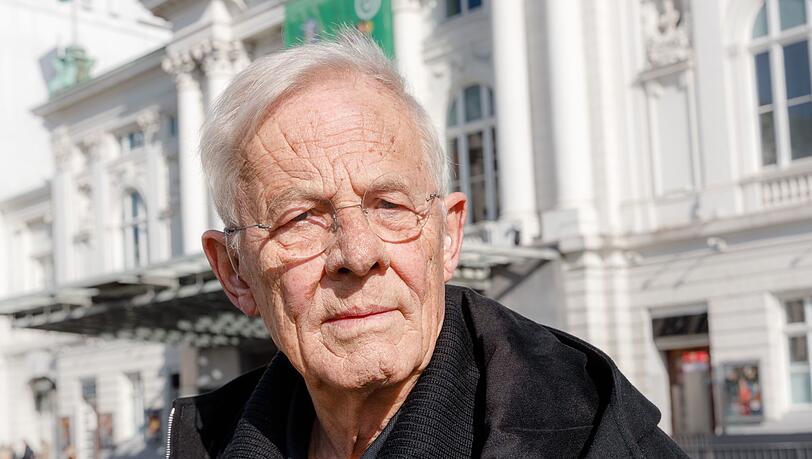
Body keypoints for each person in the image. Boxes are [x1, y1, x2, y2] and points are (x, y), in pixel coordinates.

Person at [168, 30, 688, 458]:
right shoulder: (204, 442)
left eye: (390, 206)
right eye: (301, 217)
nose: (358, 253)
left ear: (448, 234)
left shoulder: (592, 437)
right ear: (234, 271)